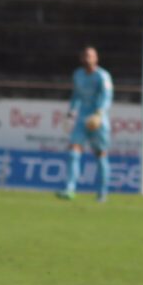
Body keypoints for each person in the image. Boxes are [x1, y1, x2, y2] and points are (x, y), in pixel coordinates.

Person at [57, 46, 113, 202]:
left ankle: (102, 193)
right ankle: (69, 189)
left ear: (96, 58)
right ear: (81, 58)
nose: (88, 58)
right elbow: (76, 95)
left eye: (91, 55)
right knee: (74, 151)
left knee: (101, 155)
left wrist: (100, 113)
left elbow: (107, 96)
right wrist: (71, 113)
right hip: (82, 118)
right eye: (85, 55)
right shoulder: (78, 74)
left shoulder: (103, 76)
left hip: (98, 119)